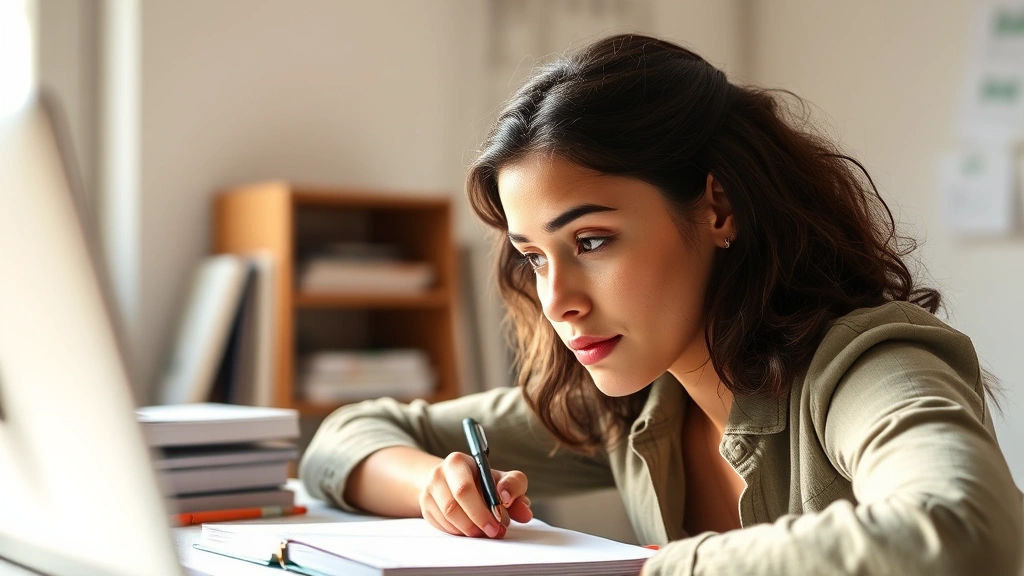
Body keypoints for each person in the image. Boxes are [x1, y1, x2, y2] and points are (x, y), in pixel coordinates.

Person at [300, 34, 1023, 575]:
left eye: (591, 241)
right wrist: (436, 482)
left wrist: (651, 569)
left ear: (719, 206)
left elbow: (967, 529)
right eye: (532, 256)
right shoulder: (632, 396)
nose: (558, 302)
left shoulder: (866, 366)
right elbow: (344, 439)